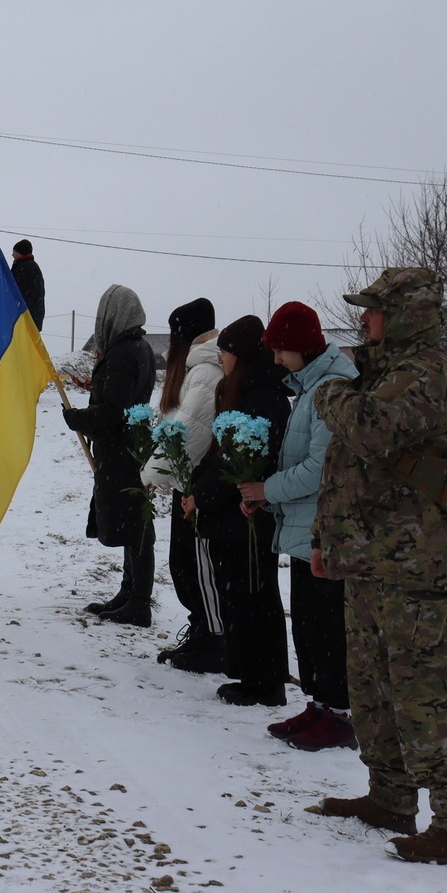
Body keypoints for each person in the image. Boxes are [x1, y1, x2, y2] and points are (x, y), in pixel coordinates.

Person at [308, 268, 447, 867]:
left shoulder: (427, 373)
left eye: (374, 309)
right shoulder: (382, 374)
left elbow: (369, 431)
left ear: (405, 315)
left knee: (429, 693)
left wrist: (331, 393)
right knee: (374, 688)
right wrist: (326, 537)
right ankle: (389, 796)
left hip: (421, 567)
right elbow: (346, 470)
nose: (363, 319)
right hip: (374, 560)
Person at [242, 301, 361, 751]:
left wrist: (267, 490)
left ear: (302, 346)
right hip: (303, 527)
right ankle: (318, 705)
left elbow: (320, 468)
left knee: (328, 628)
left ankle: (339, 714)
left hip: (326, 530)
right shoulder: (310, 386)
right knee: (309, 628)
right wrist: (268, 499)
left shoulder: (331, 388)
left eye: (280, 350)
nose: (275, 359)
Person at [185, 316, 292, 707]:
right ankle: (252, 675)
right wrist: (199, 487)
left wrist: (202, 496)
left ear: (241, 355)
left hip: (248, 514)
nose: (221, 359)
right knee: (243, 595)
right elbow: (223, 453)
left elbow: (236, 459)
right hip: (237, 513)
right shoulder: (248, 390)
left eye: (225, 352)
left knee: (253, 597)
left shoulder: (262, 396)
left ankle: (263, 682)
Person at [61, 284, 156, 627]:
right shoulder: (141, 347)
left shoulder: (120, 353)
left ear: (112, 316)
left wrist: (77, 418)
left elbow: (113, 411)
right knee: (135, 523)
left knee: (136, 527)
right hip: (133, 446)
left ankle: (138, 602)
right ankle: (130, 594)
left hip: (120, 451)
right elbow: (125, 399)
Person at [142, 298, 225, 673]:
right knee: (182, 564)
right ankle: (202, 633)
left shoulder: (206, 371)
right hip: (186, 481)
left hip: (196, 485)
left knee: (193, 566)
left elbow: (189, 431)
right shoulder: (196, 367)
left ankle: (212, 640)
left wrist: (149, 474)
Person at [11, 240, 46, 331]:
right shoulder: (28, 267)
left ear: (20, 253)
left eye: (14, 252)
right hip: (31, 315)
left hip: (26, 316)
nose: (12, 255)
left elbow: (17, 290)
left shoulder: (26, 268)